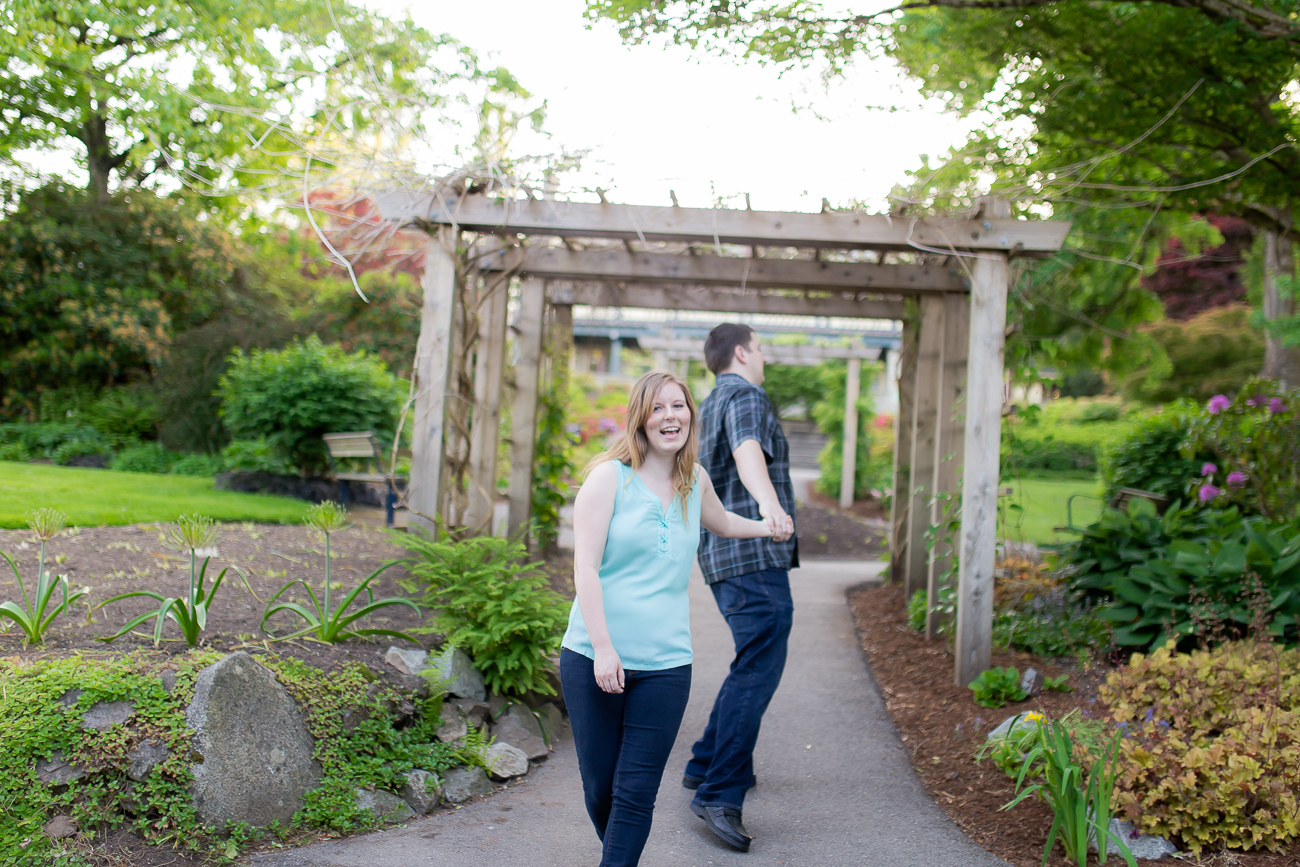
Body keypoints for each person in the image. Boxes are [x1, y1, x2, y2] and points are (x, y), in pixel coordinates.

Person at [561, 370, 791, 867]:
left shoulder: (695, 480)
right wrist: (603, 647)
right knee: (601, 785)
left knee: (636, 792)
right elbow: (585, 567)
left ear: (691, 414)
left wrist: (768, 527)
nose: (671, 416)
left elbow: (722, 522)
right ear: (639, 418)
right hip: (594, 656)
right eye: (659, 407)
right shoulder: (608, 478)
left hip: (667, 664)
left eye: (679, 406)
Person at [683, 323, 798, 853]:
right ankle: (718, 791)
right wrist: (770, 505)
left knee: (749, 660)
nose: (766, 356)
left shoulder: (709, 403)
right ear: (741, 351)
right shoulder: (745, 394)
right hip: (752, 554)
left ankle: (705, 761)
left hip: (725, 555)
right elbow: (749, 447)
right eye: (762, 346)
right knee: (757, 668)